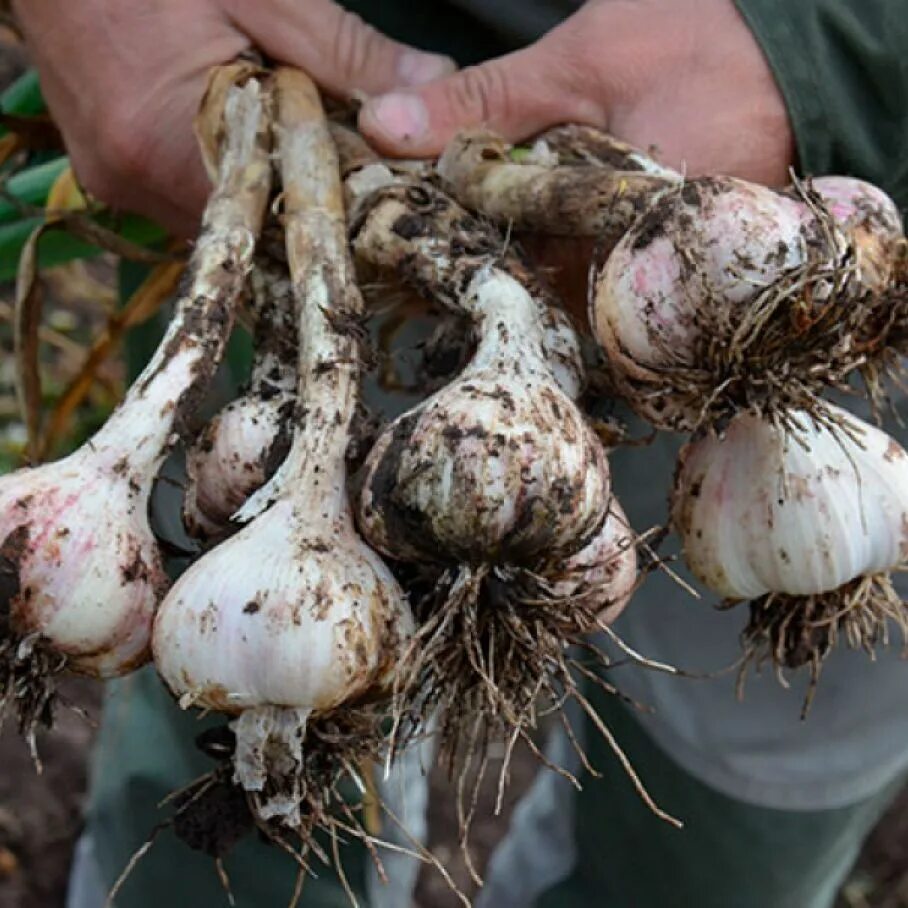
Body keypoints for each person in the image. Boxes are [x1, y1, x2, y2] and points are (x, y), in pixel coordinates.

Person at [11, 1, 908, 906]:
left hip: (827, 243)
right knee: (264, 680)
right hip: (306, 60)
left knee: (737, 821)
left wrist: (821, 56)